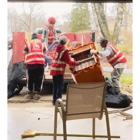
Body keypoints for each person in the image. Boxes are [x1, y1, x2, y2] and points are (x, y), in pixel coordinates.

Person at [50, 36, 80, 105]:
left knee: (55, 85)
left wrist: (68, 54)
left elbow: (60, 55)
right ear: (65, 42)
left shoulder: (57, 48)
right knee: (60, 86)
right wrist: (77, 63)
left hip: (54, 69)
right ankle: (59, 101)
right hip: (59, 70)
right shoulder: (65, 50)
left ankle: (54, 100)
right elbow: (69, 62)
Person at [23, 33, 47, 100]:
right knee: (39, 78)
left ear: (32, 39)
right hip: (40, 64)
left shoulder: (28, 45)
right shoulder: (42, 45)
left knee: (30, 78)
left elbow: (24, 53)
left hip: (31, 65)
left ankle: (29, 93)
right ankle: (37, 93)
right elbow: (45, 52)